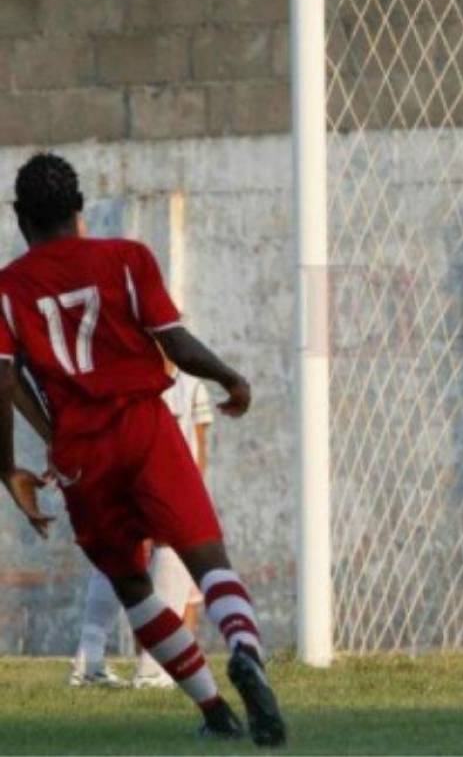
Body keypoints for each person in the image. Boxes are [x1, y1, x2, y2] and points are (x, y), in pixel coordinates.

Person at [0, 153, 285, 745]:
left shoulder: (8, 289)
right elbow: (175, 343)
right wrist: (231, 378)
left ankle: (215, 712)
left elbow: (3, 380)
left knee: (130, 583)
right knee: (208, 561)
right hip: (146, 425)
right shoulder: (127, 258)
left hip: (81, 450)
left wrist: (9, 469)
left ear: (19, 218)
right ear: (79, 212)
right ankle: (246, 652)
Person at [68, 360, 215, 690]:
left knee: (118, 556)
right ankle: (151, 668)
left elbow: (200, 445)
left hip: (156, 478)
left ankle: (88, 661)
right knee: (165, 550)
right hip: (140, 476)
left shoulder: (190, 387)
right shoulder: (128, 376)